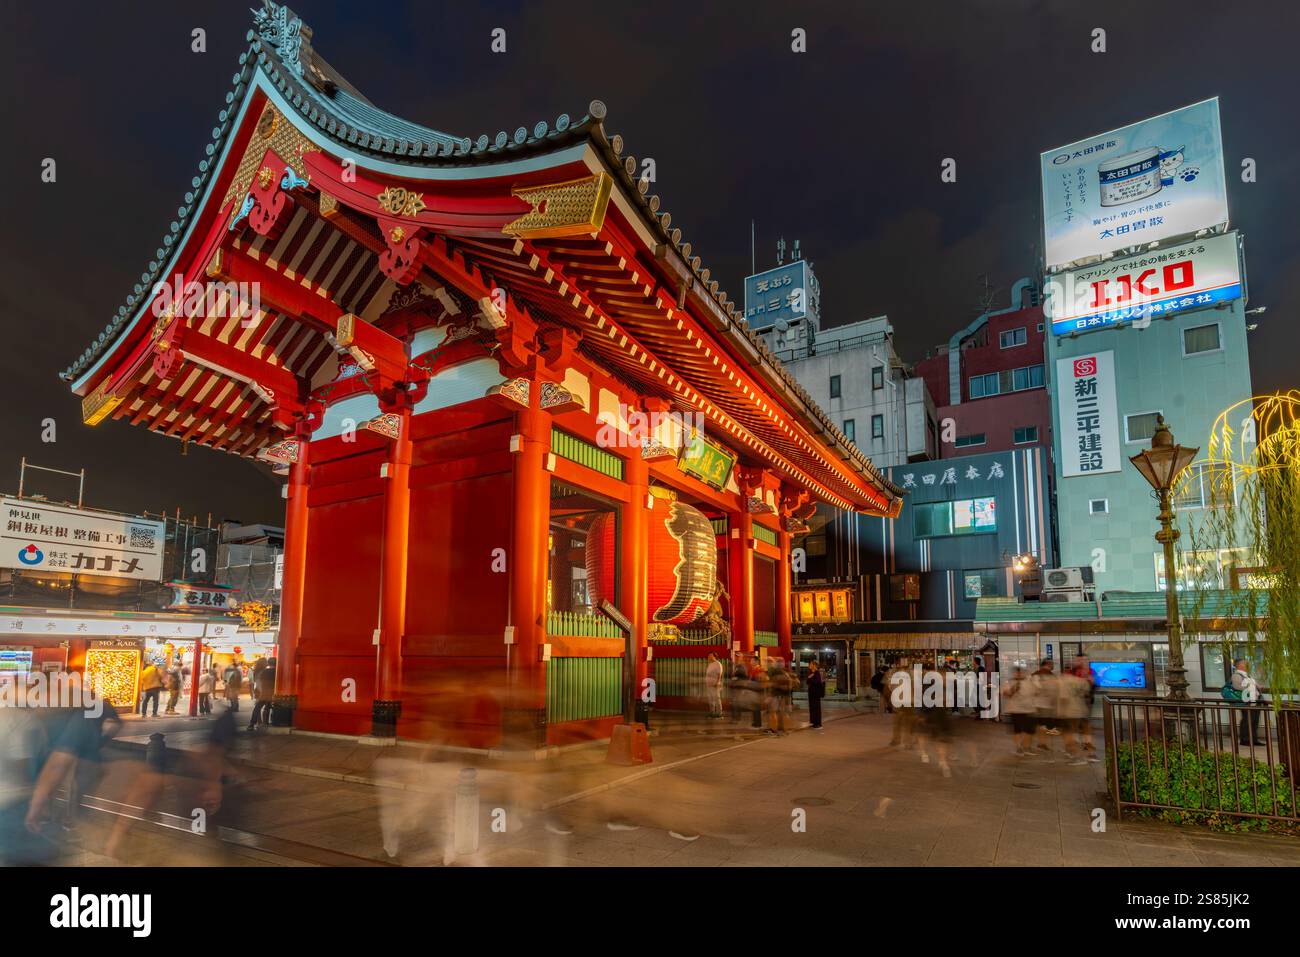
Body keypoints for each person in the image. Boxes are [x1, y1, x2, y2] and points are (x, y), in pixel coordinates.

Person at [1001, 666, 1037, 756]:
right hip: (1016, 709)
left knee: (1030, 730)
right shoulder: (1009, 682)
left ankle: (1027, 747)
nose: (1020, 674)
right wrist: (1014, 688)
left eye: (1021, 672)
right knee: (1018, 730)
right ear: (1014, 673)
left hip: (1029, 709)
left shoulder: (1029, 681)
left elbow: (1035, 692)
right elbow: (1006, 694)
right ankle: (1018, 748)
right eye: (1018, 672)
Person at [1231, 658, 1264, 746]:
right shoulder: (1236, 675)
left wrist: (1257, 687)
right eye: (1245, 663)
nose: (1247, 665)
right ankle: (1245, 739)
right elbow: (1237, 687)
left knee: (1254, 720)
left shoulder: (1247, 675)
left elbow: (1254, 686)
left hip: (1255, 700)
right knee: (1247, 720)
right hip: (1246, 700)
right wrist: (1250, 688)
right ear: (1240, 665)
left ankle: (1254, 739)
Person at [248, 658, 276, 730]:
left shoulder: (262, 671)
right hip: (270, 692)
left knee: (258, 707)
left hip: (263, 691)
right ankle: (265, 723)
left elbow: (259, 682)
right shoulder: (276, 671)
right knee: (267, 707)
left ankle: (252, 723)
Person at [806, 659, 826, 729]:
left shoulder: (817, 673)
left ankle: (817, 723)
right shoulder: (811, 672)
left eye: (811, 664)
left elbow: (817, 682)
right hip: (811, 693)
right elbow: (807, 681)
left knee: (816, 708)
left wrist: (810, 678)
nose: (809, 665)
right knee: (812, 708)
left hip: (815, 694)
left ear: (814, 665)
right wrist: (809, 678)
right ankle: (813, 722)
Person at [729, 657, 749, 723]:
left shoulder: (742, 667)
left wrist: (736, 678)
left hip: (739, 688)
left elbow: (745, 677)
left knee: (737, 703)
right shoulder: (736, 666)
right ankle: (734, 718)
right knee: (734, 703)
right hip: (735, 687)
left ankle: (737, 718)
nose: (736, 659)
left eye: (738, 658)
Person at [704, 653, 724, 718]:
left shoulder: (718, 664)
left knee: (717, 699)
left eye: (710, 656)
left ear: (714, 656)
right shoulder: (710, 664)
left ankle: (719, 713)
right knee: (710, 699)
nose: (708, 657)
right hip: (709, 685)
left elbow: (719, 674)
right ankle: (712, 712)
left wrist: (717, 682)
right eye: (708, 656)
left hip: (715, 684)